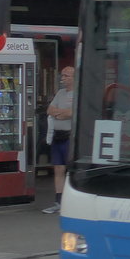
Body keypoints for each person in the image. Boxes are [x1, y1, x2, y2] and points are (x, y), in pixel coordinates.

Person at [43, 66, 74, 213]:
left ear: (74, 77)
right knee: (58, 168)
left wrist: (60, 113)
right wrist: (61, 113)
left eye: (66, 76)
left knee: (71, 169)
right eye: (62, 75)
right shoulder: (60, 93)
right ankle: (58, 201)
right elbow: (49, 110)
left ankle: (72, 200)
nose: (63, 78)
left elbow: (73, 112)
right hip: (57, 135)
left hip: (70, 136)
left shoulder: (78, 93)